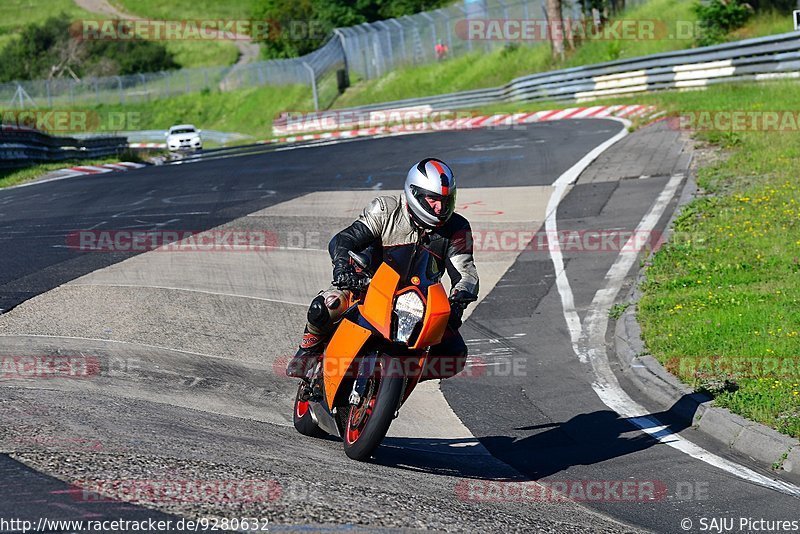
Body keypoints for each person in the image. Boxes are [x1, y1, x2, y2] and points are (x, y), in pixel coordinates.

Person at [286, 158, 479, 381]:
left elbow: (466, 272)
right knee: (328, 304)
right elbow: (343, 240)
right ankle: (307, 353)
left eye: (446, 200)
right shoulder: (386, 210)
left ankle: (401, 379)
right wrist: (343, 269)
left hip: (418, 304)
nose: (440, 208)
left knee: (454, 354)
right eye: (433, 200)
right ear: (414, 194)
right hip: (367, 286)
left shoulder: (457, 228)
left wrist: (457, 302)